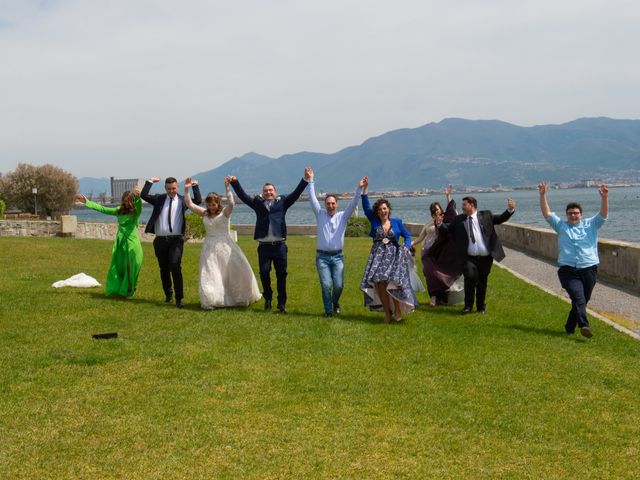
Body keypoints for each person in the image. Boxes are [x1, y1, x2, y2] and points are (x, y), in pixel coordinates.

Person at [228, 170, 310, 313]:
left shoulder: (283, 202)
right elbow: (243, 196)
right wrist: (235, 182)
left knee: (281, 275)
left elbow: (296, 194)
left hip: (280, 247)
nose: (268, 193)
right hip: (264, 247)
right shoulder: (257, 203)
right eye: (266, 191)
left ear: (275, 192)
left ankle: (281, 304)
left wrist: (305, 180)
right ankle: (268, 299)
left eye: (271, 190)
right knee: (264, 273)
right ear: (262, 193)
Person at [538, 182, 608, 338]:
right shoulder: (561, 226)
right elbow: (547, 213)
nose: (573, 215)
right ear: (567, 215)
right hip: (568, 270)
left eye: (576, 213)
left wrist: (604, 198)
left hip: (589, 268)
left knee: (583, 299)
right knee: (578, 297)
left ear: (581, 214)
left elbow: (603, 215)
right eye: (570, 213)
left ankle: (570, 326)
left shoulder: (590, 225)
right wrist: (543, 195)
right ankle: (584, 325)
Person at [183, 177, 261, 309]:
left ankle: (237, 296)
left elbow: (231, 204)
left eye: (213, 205)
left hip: (225, 245)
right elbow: (190, 205)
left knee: (231, 271)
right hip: (209, 246)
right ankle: (213, 298)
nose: (211, 207)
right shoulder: (204, 214)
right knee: (211, 272)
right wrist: (186, 189)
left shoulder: (225, 213)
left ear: (218, 203)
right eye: (208, 205)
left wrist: (227, 189)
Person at [439, 195, 515, 315]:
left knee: (482, 282)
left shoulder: (486, 215)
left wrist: (510, 210)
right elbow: (447, 229)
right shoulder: (459, 220)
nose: (462, 207)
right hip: (468, 258)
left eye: (464, 204)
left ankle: (481, 307)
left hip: (485, 258)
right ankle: (468, 306)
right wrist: (439, 224)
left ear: (472, 205)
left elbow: (500, 218)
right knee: (470, 276)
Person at [307, 167, 365, 317]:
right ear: (325, 205)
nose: (330, 206)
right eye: (328, 203)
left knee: (339, 285)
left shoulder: (342, 217)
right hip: (322, 257)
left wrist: (359, 189)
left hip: (338, 257)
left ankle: (335, 302)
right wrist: (311, 180)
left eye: (333, 203)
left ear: (337, 204)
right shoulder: (320, 214)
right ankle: (328, 312)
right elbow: (313, 199)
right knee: (326, 285)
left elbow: (352, 204)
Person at [360, 177, 416, 323]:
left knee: (393, 283)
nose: (382, 211)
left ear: (389, 209)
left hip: (394, 256)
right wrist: (365, 189)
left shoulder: (397, 222)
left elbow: (407, 236)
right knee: (380, 284)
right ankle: (387, 312)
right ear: (377, 212)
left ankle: (397, 309)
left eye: (384, 208)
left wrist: (406, 245)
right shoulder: (374, 221)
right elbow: (366, 207)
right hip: (378, 256)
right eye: (380, 210)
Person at [141, 176, 202, 308]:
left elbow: (198, 200)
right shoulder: (159, 199)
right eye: (169, 189)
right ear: (165, 188)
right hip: (160, 240)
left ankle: (179, 298)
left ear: (177, 187)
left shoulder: (182, 200)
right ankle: (168, 294)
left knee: (175, 265)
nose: (171, 191)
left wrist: (194, 186)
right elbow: (143, 195)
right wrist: (149, 182)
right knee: (164, 268)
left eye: (174, 188)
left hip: (176, 240)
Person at [75, 188, 143, 299]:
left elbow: (139, 205)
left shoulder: (136, 212)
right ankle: (121, 288)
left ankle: (131, 290)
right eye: (124, 201)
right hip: (121, 243)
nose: (126, 203)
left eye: (128, 201)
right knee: (120, 267)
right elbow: (102, 209)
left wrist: (138, 197)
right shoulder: (118, 210)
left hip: (132, 243)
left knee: (132, 266)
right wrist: (86, 201)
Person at [411, 185, 463, 307]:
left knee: (440, 275)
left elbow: (452, 210)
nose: (437, 211)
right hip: (428, 253)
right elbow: (420, 238)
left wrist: (448, 196)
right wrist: (409, 243)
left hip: (442, 252)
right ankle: (433, 297)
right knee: (429, 274)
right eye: (434, 210)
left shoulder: (446, 220)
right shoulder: (428, 223)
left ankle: (442, 297)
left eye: (438, 209)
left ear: (441, 209)